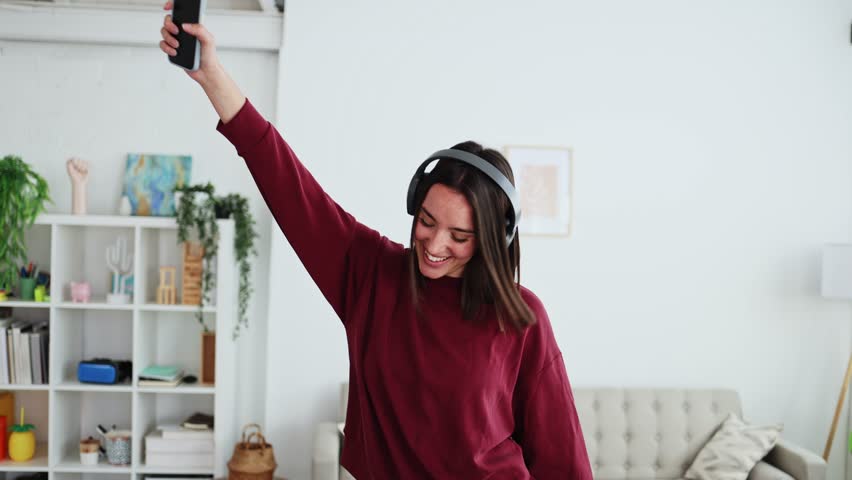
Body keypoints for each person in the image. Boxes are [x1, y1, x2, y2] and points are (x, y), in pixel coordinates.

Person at [159, 7, 593, 479]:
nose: (435, 244)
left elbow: (563, 458)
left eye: (460, 235)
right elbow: (288, 185)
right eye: (426, 221)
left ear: (493, 239)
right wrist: (213, 76)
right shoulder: (372, 275)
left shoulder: (522, 318)